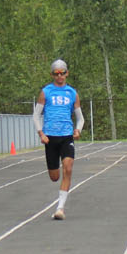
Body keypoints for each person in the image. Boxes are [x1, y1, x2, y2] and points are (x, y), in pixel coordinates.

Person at [34, 59, 83, 220]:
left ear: (67, 73)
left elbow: (80, 118)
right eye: (56, 73)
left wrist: (78, 130)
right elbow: (36, 115)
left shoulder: (72, 93)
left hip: (66, 136)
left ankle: (60, 208)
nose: (59, 76)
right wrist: (41, 133)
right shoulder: (46, 92)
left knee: (68, 169)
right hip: (50, 138)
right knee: (54, 176)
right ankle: (59, 203)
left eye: (62, 73)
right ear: (52, 75)